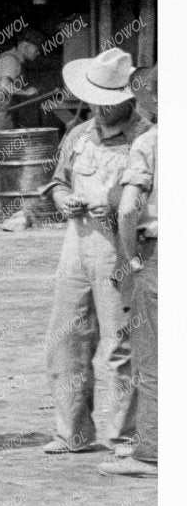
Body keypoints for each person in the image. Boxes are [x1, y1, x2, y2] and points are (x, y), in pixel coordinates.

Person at [42, 48, 146, 458]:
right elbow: (56, 182)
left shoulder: (147, 138)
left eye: (109, 104)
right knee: (66, 340)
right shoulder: (79, 134)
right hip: (76, 244)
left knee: (121, 346)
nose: (100, 112)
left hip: (120, 249)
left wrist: (121, 205)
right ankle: (73, 433)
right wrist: (63, 198)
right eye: (94, 103)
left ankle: (125, 437)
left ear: (128, 99)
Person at [110, 93, 157, 477]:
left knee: (153, 360)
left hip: (159, 256)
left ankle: (152, 452)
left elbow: (127, 208)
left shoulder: (150, 142)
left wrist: (132, 258)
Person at [0, 33, 44, 203]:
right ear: (24, 46)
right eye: (36, 48)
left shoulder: (11, 59)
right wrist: (26, 92)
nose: (38, 53)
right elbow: (6, 86)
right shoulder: (11, 61)